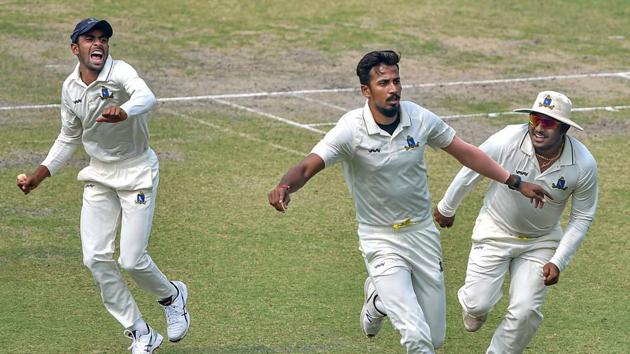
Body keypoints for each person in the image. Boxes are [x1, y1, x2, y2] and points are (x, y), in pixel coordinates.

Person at [268, 50, 551, 353]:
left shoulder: (418, 117)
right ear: (366, 90)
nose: (393, 89)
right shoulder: (351, 129)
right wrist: (286, 185)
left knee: (435, 338)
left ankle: (378, 300)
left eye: (396, 81)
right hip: (380, 237)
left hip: (422, 233)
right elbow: (309, 165)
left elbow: (466, 152)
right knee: (416, 337)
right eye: (383, 83)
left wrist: (515, 181)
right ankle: (384, 292)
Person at [16, 18, 190, 353]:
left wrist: (123, 111)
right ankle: (141, 333)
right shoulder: (70, 88)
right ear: (74, 48)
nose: (98, 44)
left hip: (137, 171)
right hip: (99, 175)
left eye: (103, 39)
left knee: (131, 260)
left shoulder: (121, 72)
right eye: (89, 39)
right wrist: (40, 174)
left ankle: (172, 296)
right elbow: (69, 137)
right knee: (95, 258)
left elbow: (147, 96)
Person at [434, 91, 598, 353]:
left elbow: (582, 216)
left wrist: (558, 260)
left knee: (524, 312)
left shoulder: (583, 164)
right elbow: (473, 166)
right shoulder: (508, 138)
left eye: (550, 122)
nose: (540, 128)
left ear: (564, 128)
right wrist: (447, 206)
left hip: (541, 242)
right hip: (495, 230)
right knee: (477, 306)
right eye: (535, 119)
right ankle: (476, 307)